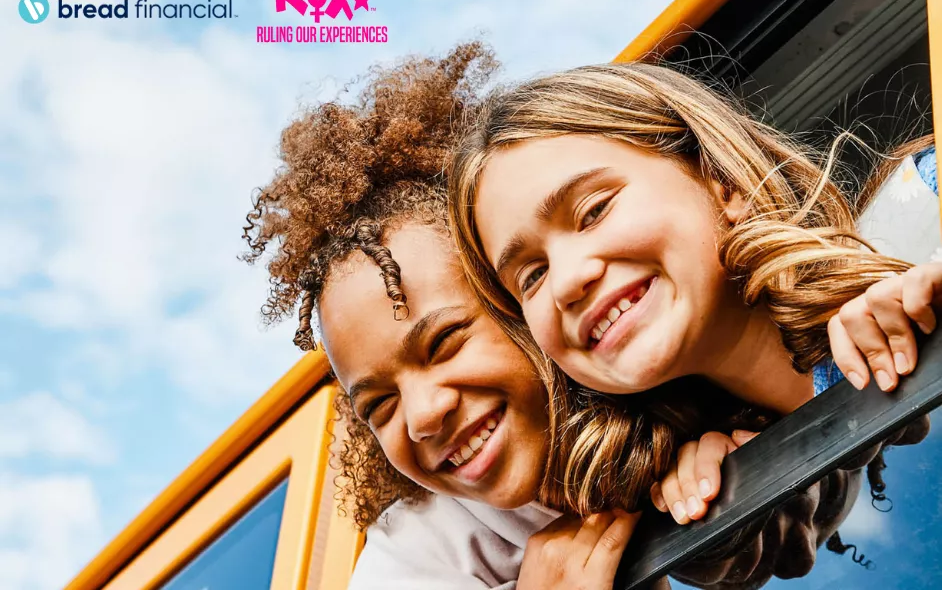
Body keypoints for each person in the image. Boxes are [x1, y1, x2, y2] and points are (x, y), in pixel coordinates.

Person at [241, 45, 912, 589]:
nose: (421, 415)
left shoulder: (679, 380)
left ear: (517, 319)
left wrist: (746, 492)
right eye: (378, 407)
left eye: (445, 341)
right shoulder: (426, 550)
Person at [448, 63, 938, 523]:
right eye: (531, 276)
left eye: (594, 210)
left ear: (722, 182)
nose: (566, 282)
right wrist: (740, 499)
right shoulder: (708, 491)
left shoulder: (927, 203)